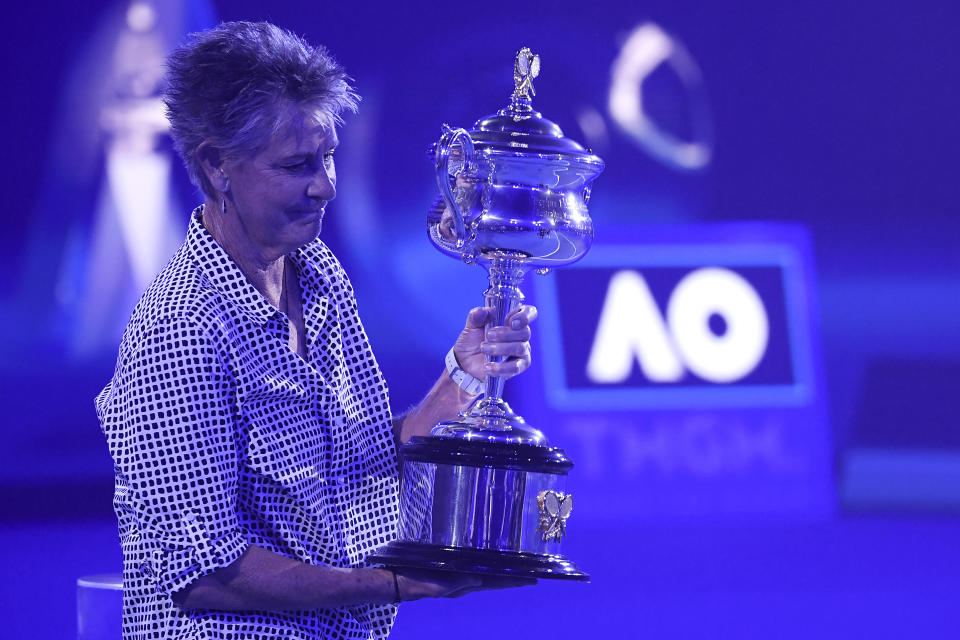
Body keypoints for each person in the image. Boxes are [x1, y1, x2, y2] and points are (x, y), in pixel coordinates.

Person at [95, 21, 537, 640]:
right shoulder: (180, 328)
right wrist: (393, 584)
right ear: (217, 166)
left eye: (327, 156)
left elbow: (364, 463)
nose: (325, 185)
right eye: (296, 164)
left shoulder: (321, 274)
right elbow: (207, 575)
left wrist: (462, 377)